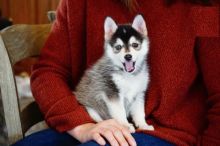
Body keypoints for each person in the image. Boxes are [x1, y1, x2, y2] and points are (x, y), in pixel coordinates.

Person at [13, 0, 219, 145]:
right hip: (93, 120)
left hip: (170, 134)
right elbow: (48, 71)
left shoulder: (201, 5)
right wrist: (79, 124)